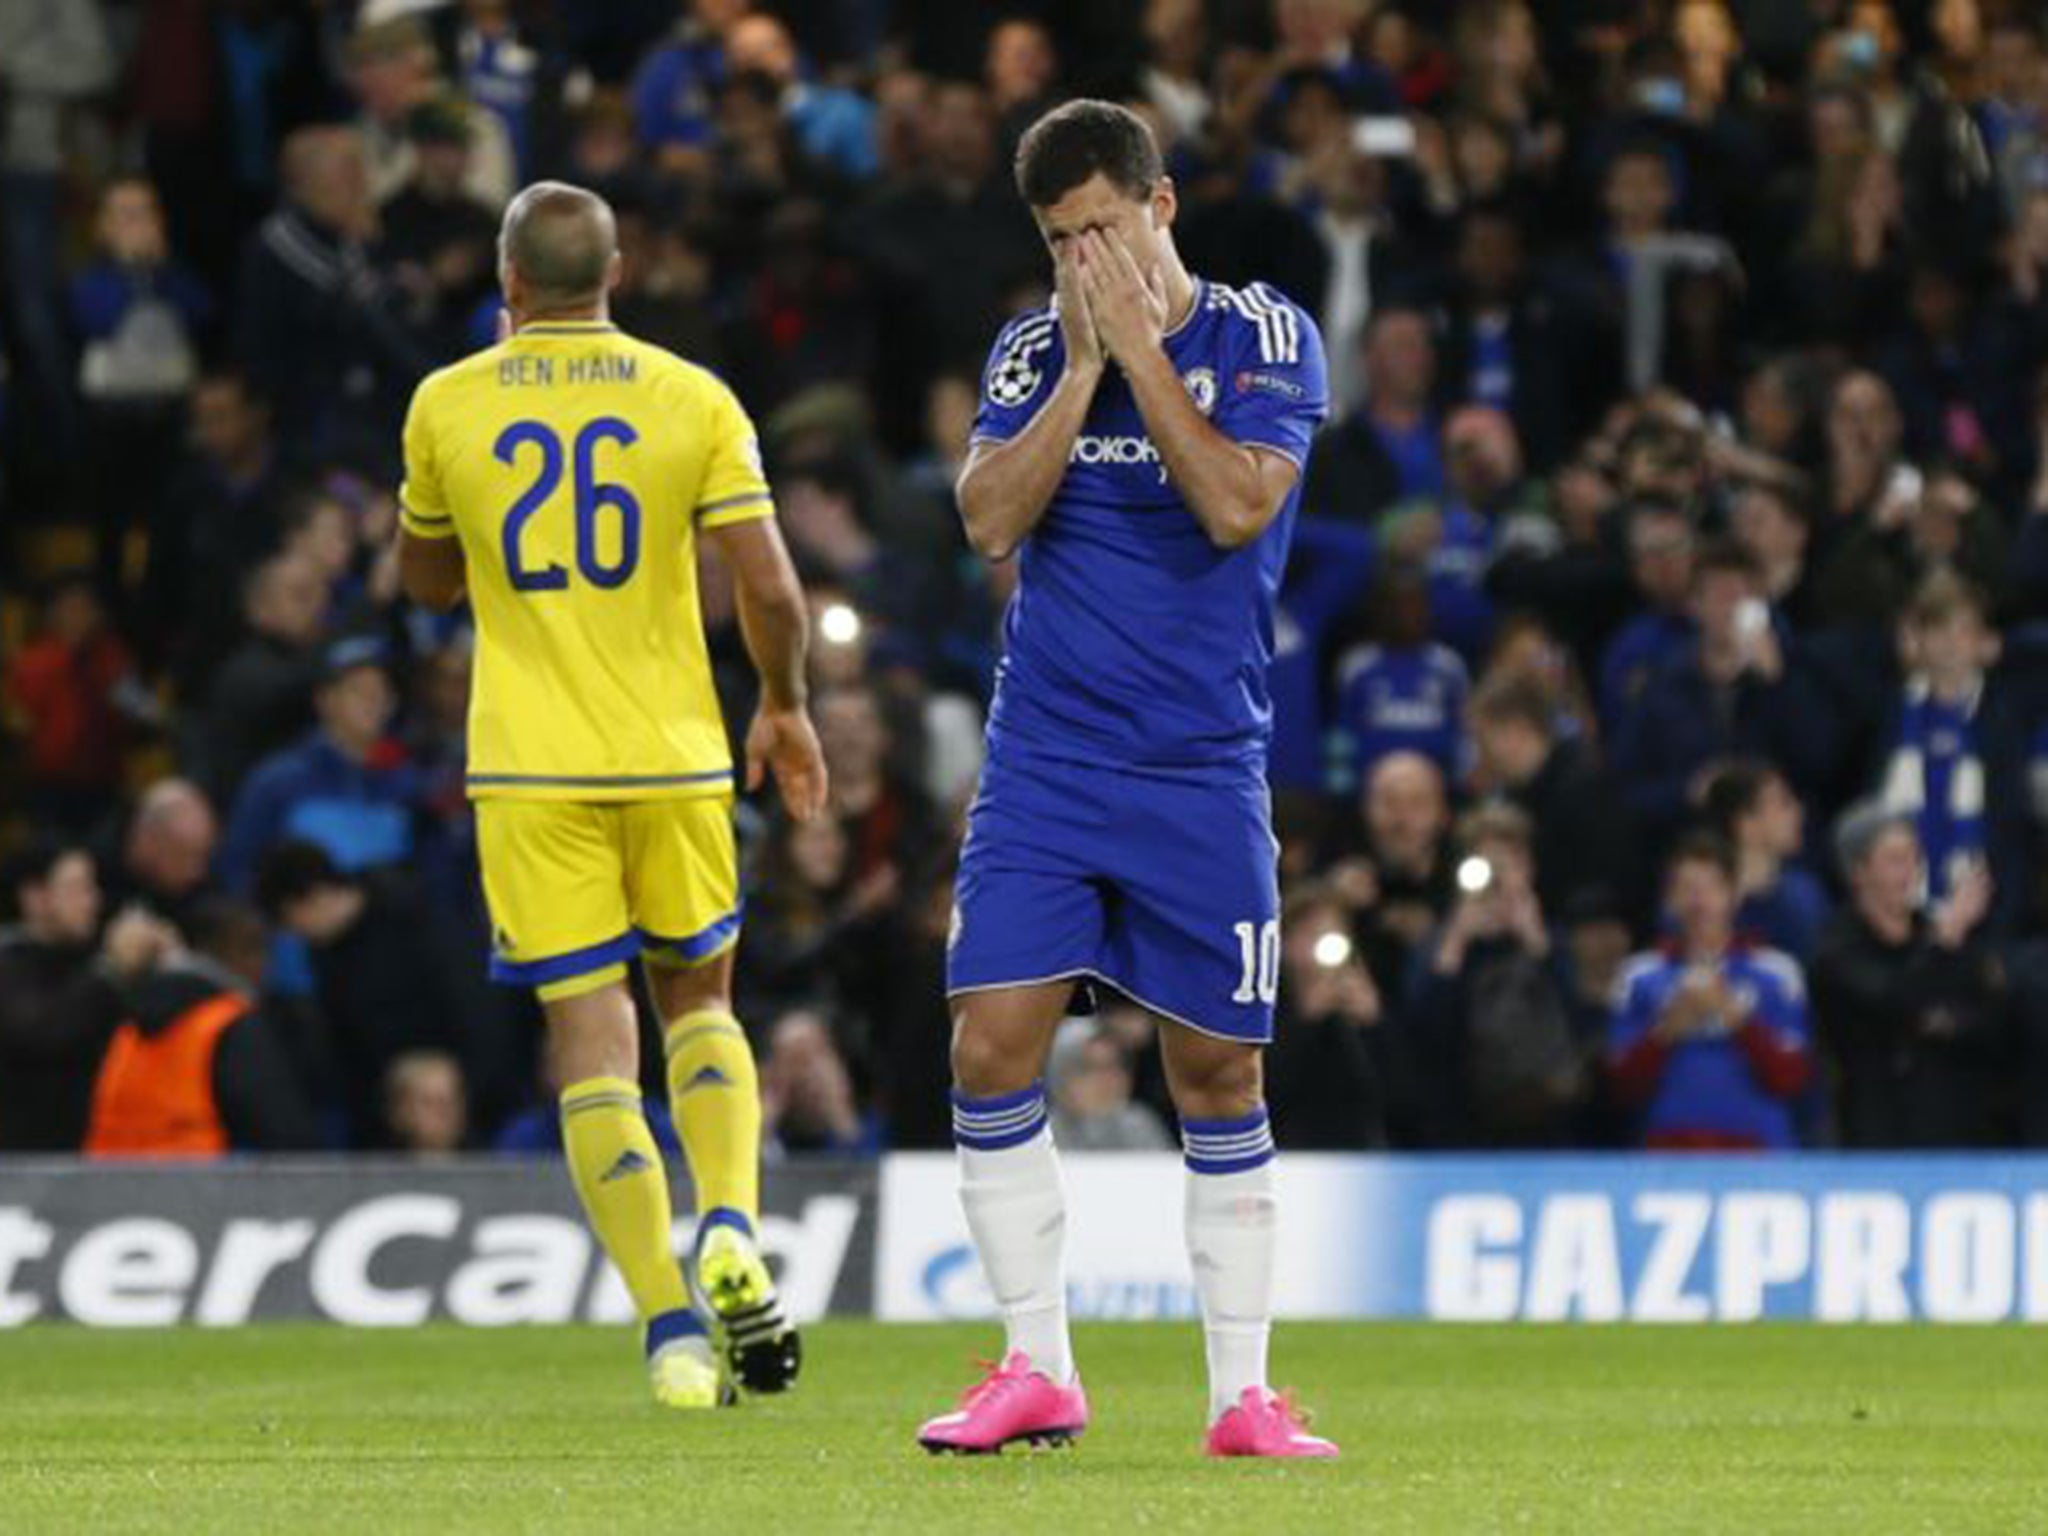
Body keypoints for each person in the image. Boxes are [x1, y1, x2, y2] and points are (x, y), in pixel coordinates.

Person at [924, 101, 1337, 1459]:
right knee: (988, 1045)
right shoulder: (1037, 349)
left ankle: (1241, 1399)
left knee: (1218, 1072)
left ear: (1161, 206)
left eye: (1098, 227)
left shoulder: (1267, 336)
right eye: (1057, 240)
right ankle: (1037, 1369)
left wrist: (1139, 356)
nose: (1078, 260)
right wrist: (1080, 369)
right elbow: (987, 519)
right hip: (1044, 762)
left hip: (1200, 770)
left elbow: (1231, 507)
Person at [395, 180, 827, 1410]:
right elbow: (776, 592)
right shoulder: (691, 397)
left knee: (590, 1051)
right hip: (676, 755)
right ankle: (732, 1222)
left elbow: (424, 584)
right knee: (701, 1008)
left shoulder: (447, 403)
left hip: (529, 770)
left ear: (506, 280)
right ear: (618, 272)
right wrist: (784, 705)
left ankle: (668, 1330)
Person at [1809, 805, 2007, 1147]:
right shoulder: (1837, 949)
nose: (1912, 871)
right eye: (1895, 860)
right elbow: (1891, 1000)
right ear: (1859, 872)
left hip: (1960, 1134)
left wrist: (1937, 1019)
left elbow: (1992, 1018)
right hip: (1876, 1140)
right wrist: (1942, 946)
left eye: (1915, 857)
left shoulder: (1938, 935)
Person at [1606, 834, 1813, 1149]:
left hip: (1761, 1159)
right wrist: (1666, 1030)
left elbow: (1792, 1079)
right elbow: (1621, 1087)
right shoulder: (1639, 976)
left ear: (1734, 894)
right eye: (1687, 888)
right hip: (1666, 1161)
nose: (1699, 901)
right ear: (1670, 899)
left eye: (1711, 888)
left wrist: (1736, 1019)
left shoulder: (1776, 972)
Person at [0, 841, 178, 1151]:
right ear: (35, 898)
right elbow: (41, 1032)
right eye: (77, 888)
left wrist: (168, 971)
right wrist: (113, 969)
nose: (92, 901)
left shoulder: (90, 964)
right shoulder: (10, 965)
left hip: (100, 1149)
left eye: (92, 888)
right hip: (22, 1158)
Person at [1045, 1017, 1174, 1151]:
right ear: (1060, 1076)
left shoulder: (1141, 1126)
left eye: (1116, 1065)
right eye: (1090, 1068)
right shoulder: (1042, 1136)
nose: (1107, 1079)